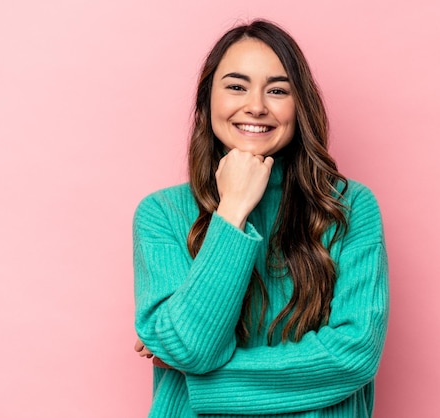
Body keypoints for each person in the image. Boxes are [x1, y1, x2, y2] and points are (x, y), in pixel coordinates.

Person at [133, 19, 389, 417]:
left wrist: (198, 377)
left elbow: (353, 356)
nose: (256, 105)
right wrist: (232, 210)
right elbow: (193, 347)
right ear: (206, 102)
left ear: (300, 105)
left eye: (277, 90)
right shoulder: (161, 214)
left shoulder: (349, 206)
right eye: (236, 86)